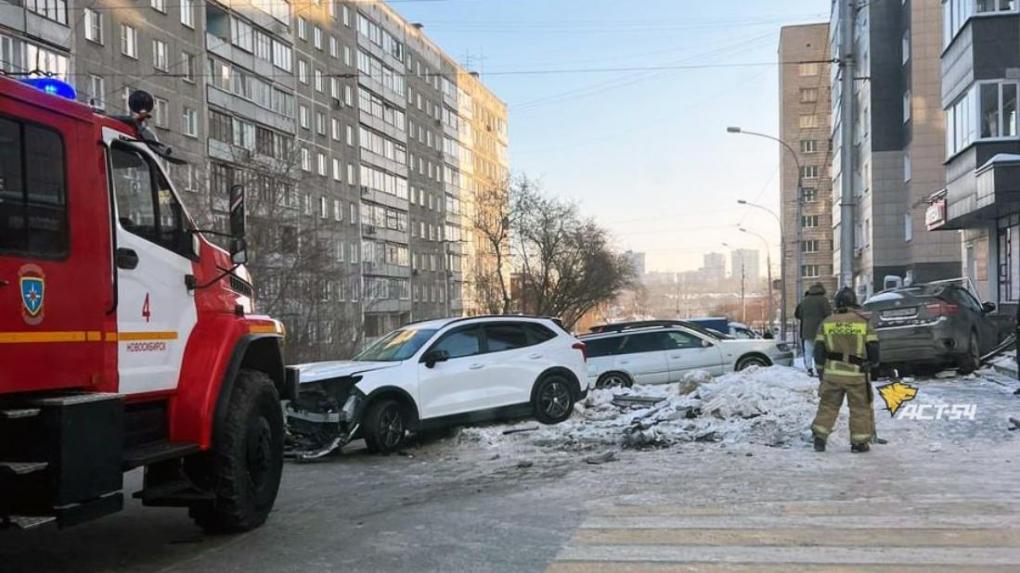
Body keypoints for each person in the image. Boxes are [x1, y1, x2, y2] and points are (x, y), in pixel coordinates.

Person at [811, 287, 880, 453]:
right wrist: (874, 364)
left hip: (833, 374)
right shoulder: (862, 322)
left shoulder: (827, 322)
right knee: (860, 408)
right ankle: (859, 443)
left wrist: (822, 373)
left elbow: (818, 352)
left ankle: (820, 438)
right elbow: (873, 347)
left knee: (827, 406)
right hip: (856, 374)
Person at [795, 283, 832, 377]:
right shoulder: (823, 300)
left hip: (806, 330)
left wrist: (806, 318)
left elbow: (797, 314)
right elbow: (829, 314)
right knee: (819, 351)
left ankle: (809, 368)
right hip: (821, 330)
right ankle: (819, 368)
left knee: (808, 351)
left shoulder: (804, 301)